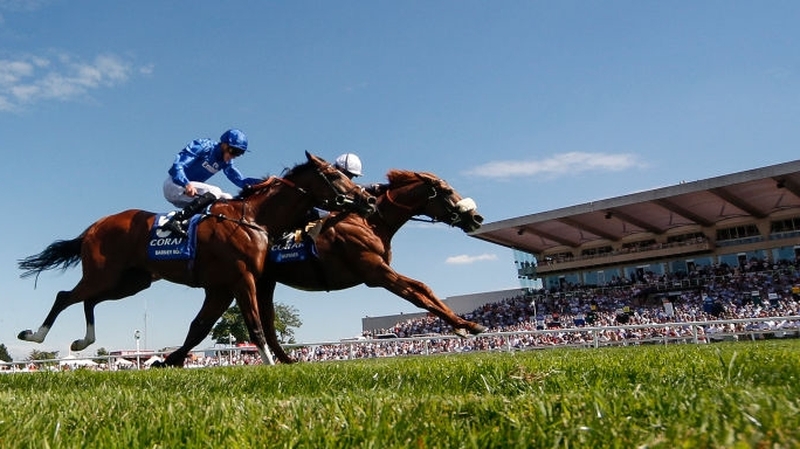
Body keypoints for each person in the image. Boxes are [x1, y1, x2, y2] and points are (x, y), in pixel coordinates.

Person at [160, 128, 262, 238]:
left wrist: (265, 182)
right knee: (215, 191)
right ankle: (176, 220)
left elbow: (241, 181)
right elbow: (177, 166)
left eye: (239, 153)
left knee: (228, 198)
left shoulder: (226, 162)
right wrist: (186, 184)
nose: (233, 156)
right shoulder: (204, 146)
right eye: (234, 151)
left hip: (189, 193)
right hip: (175, 185)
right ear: (224, 144)